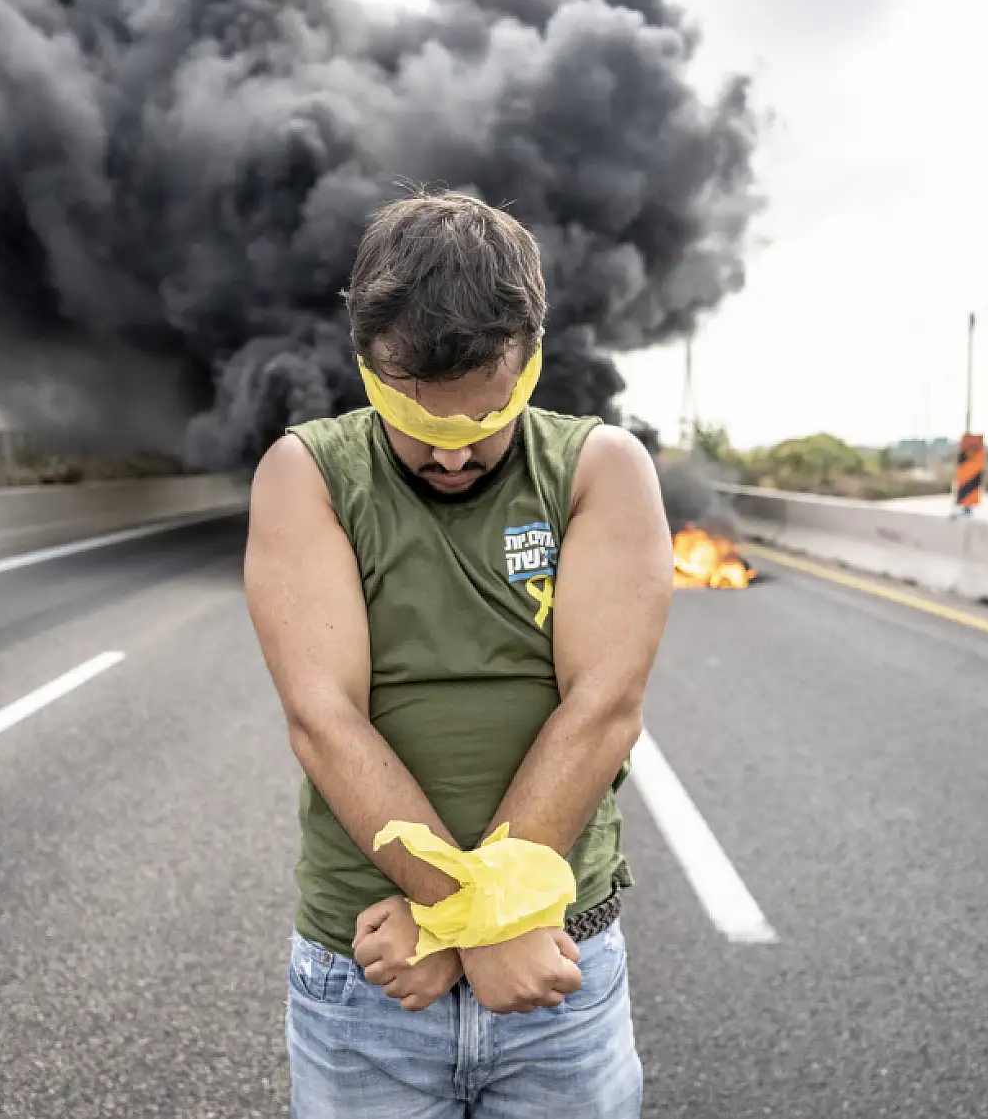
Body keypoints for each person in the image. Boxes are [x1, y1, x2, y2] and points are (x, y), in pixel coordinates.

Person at [244, 188, 673, 1118]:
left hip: (551, 966)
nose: (451, 458)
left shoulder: (603, 468)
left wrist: (470, 919)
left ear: (531, 358)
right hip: (374, 975)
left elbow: (602, 705)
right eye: (422, 426)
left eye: (481, 423)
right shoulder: (305, 473)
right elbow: (323, 718)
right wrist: (475, 915)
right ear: (367, 366)